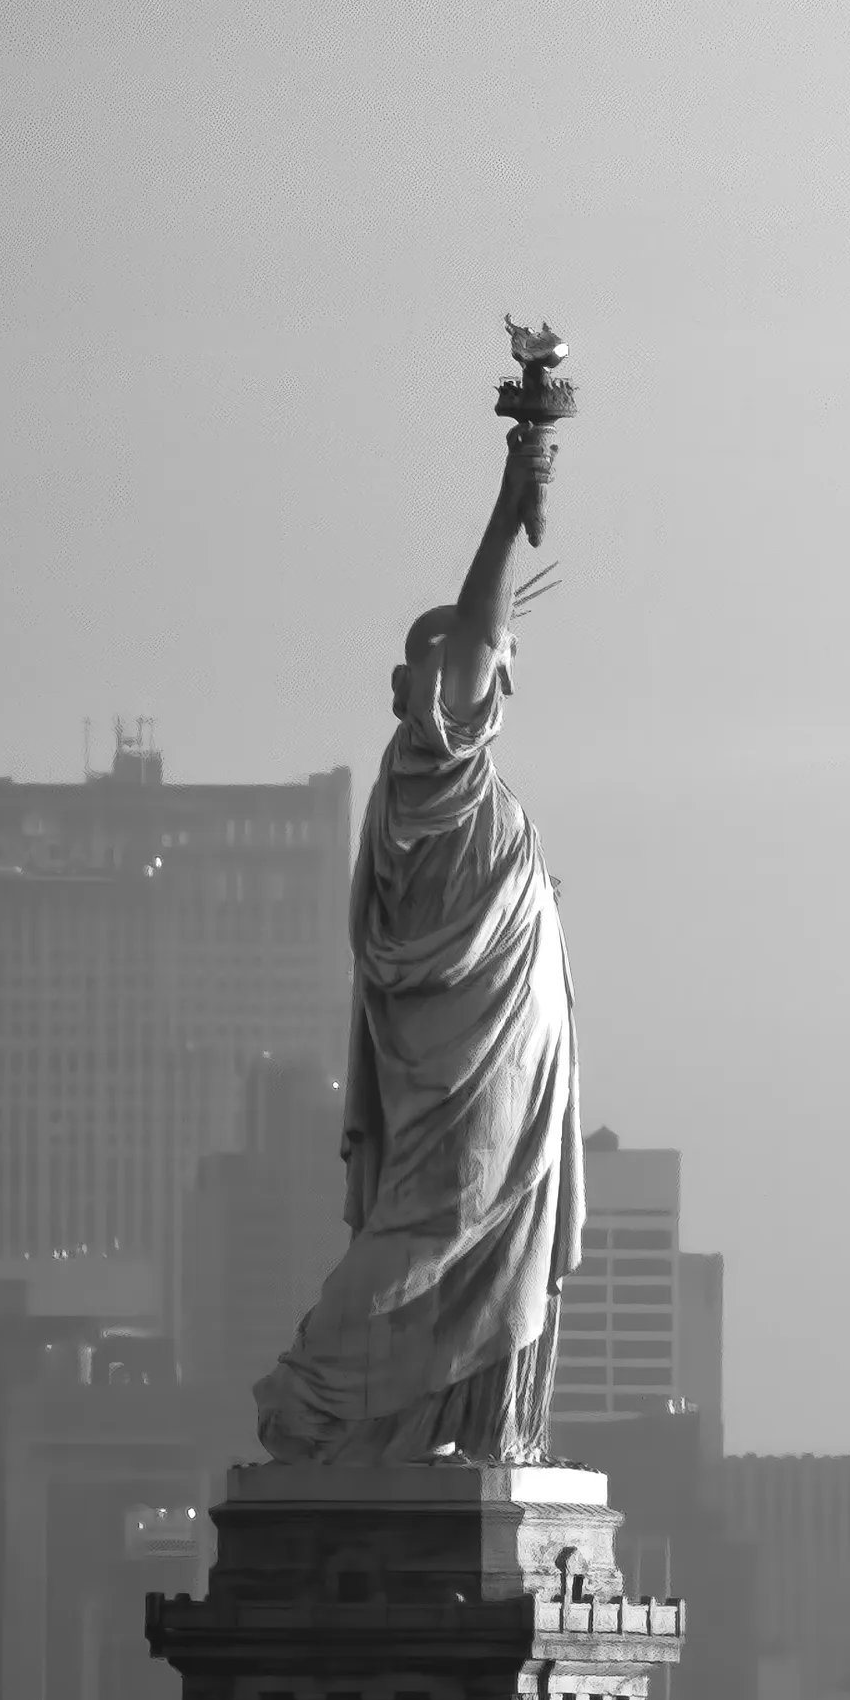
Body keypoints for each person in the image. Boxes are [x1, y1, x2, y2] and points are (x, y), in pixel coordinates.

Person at [254, 370, 581, 1464]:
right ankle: (326, 1392)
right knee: (435, 1231)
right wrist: (512, 492)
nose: (493, 672)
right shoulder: (422, 779)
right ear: (426, 687)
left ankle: (462, 1422)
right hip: (458, 1080)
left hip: (505, 1066)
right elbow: (482, 624)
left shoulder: (481, 807)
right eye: (464, 663)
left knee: (483, 1239)